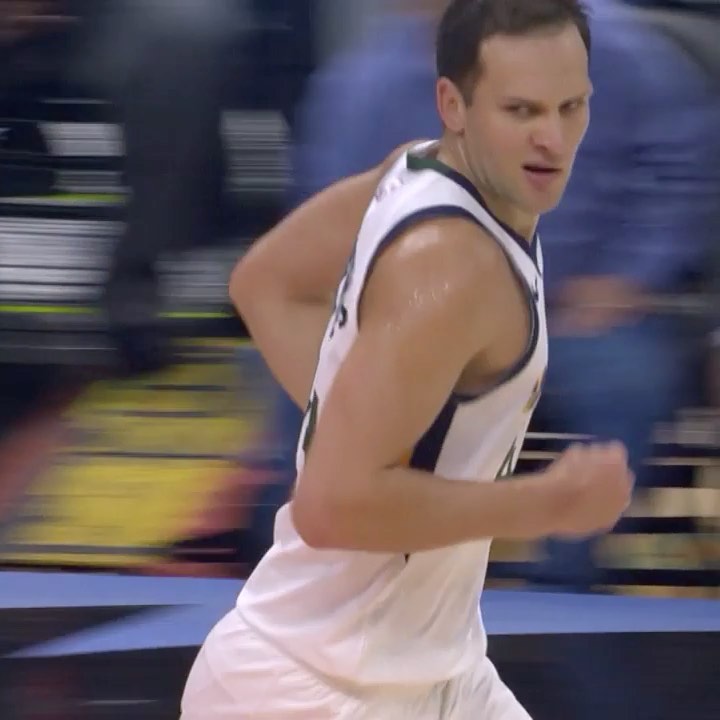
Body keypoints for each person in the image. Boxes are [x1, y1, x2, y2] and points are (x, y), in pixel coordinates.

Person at [180, 1, 632, 718]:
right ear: (453, 104)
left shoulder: (416, 166)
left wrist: (354, 427)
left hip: (437, 670)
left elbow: (266, 285)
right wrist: (544, 503)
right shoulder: (450, 270)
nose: (551, 138)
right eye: (520, 110)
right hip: (313, 687)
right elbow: (332, 507)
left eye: (570, 106)